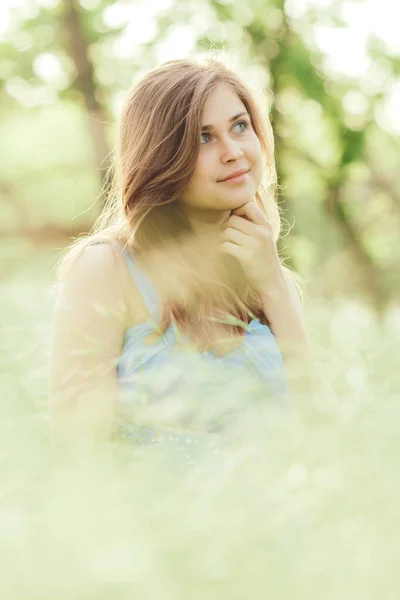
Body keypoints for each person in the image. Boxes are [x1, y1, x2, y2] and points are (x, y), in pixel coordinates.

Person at [49, 56, 333, 457]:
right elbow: (76, 447)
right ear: (162, 158)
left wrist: (274, 287)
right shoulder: (108, 269)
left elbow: (326, 438)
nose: (233, 151)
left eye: (239, 126)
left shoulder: (269, 277)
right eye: (203, 138)